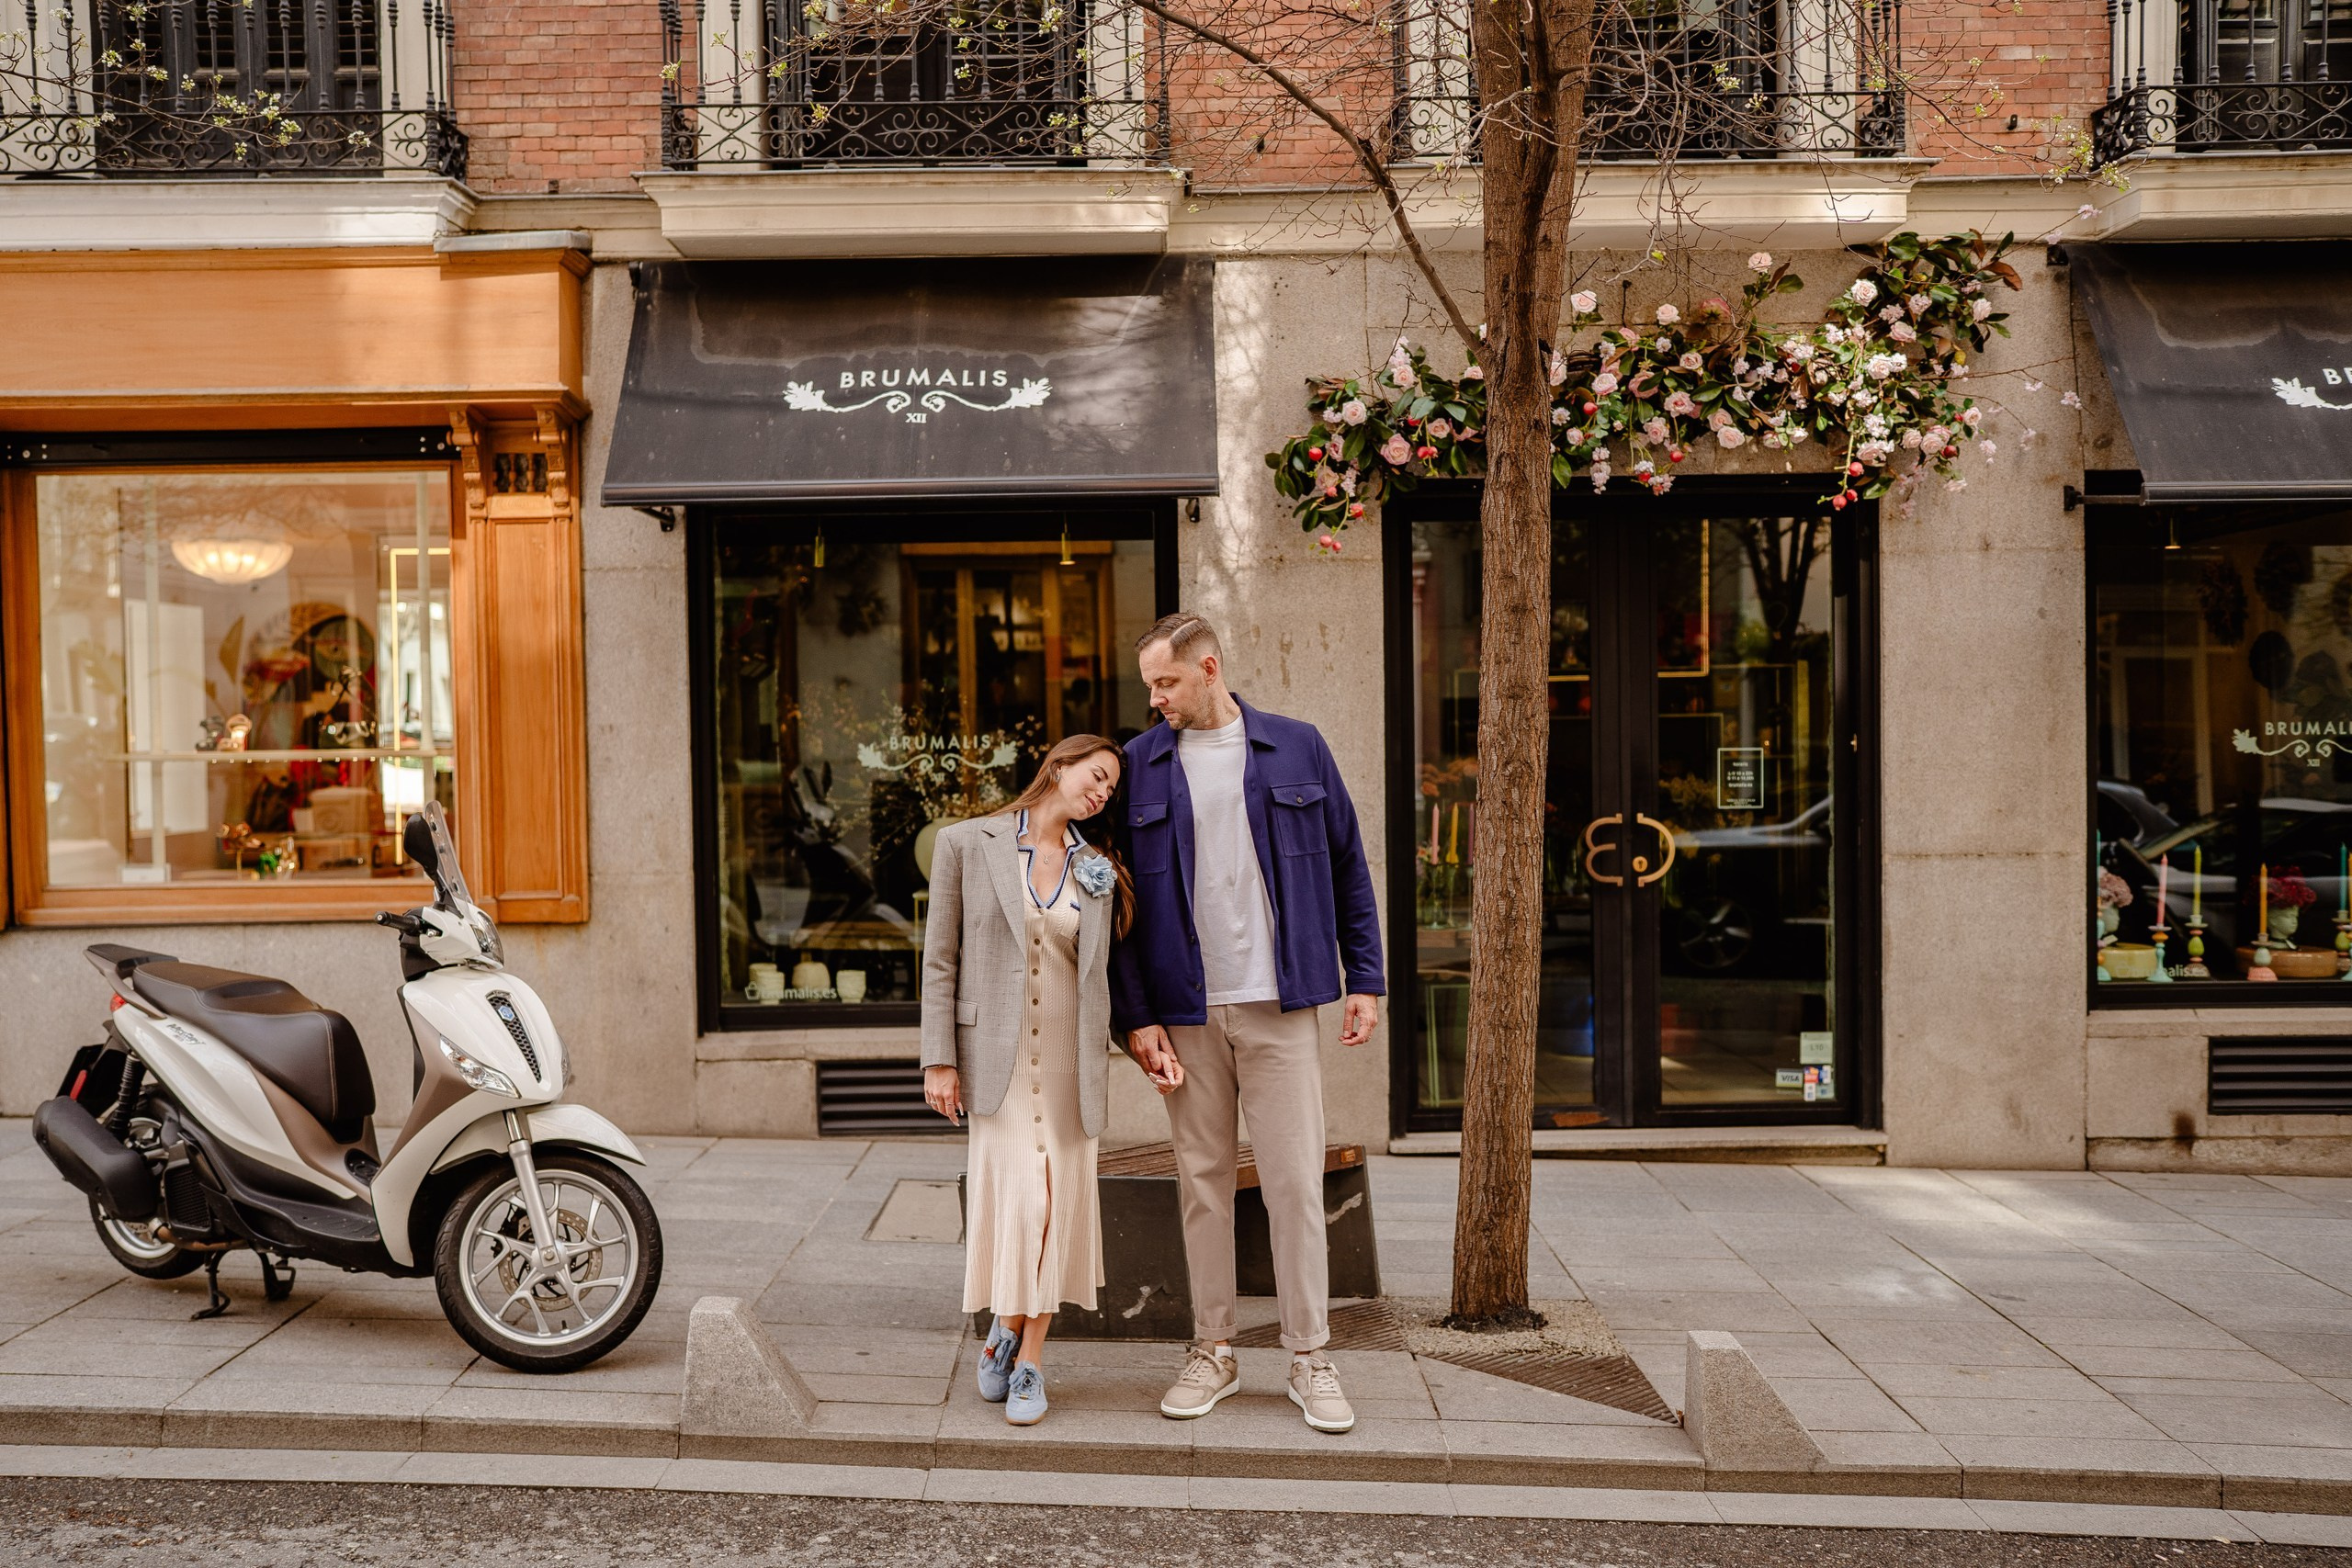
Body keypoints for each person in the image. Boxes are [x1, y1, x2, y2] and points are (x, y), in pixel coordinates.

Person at [1112, 613, 1385, 1435]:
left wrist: (1364, 977)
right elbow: (1117, 903)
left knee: (1296, 1182)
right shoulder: (1137, 765)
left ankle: (1309, 1356)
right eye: (1148, 685)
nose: (1154, 697)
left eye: (1165, 681)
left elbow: (1348, 861)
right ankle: (1214, 1349)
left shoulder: (1297, 746)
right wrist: (1136, 1019)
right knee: (1202, 1186)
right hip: (1185, 1010)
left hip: (1279, 1001)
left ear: (1208, 666)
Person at [920, 734, 1152, 1427]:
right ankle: (1002, 1325)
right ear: (1060, 765)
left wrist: (1146, 1044)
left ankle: (1029, 1360)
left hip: (1071, 1064)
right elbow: (940, 959)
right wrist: (939, 1057)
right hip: (998, 1062)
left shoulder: (1097, 867)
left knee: (1056, 1207)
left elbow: (1103, 977)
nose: (1103, 790)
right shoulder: (966, 843)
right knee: (1024, 1206)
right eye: (1097, 775)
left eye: (1111, 786)